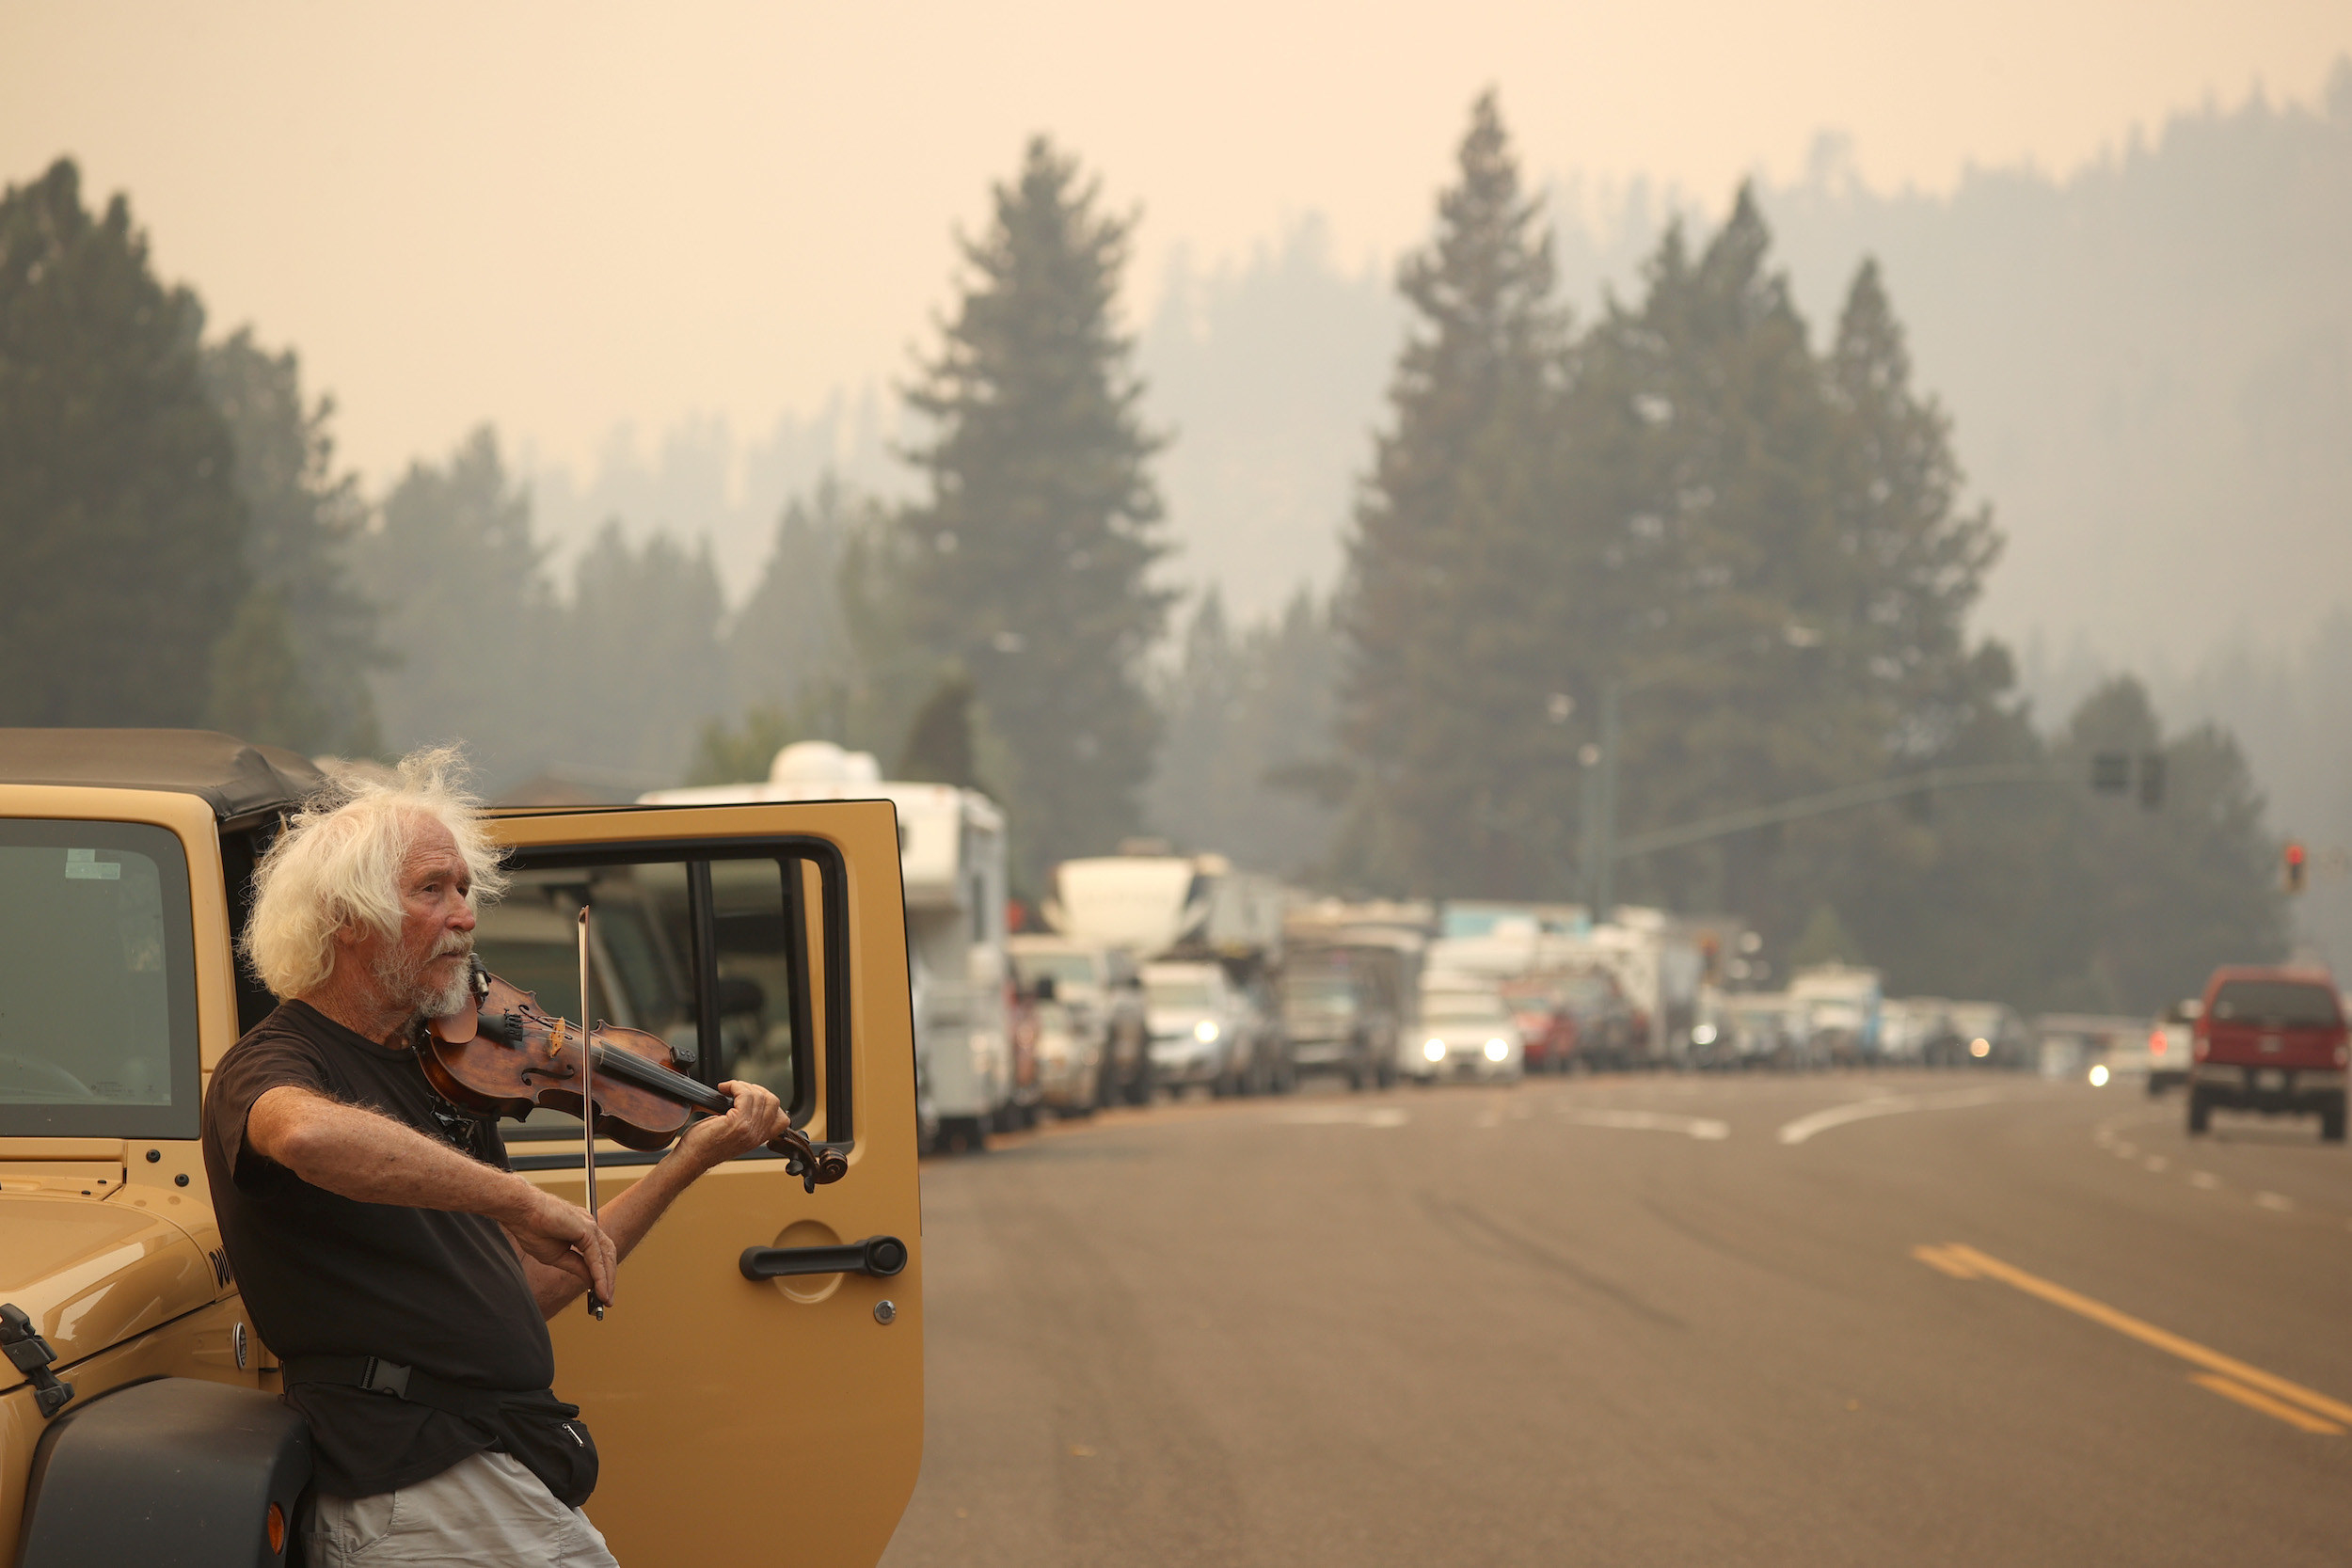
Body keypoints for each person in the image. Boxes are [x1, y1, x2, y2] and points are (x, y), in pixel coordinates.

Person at [200, 747, 787, 1567]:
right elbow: (306, 1135)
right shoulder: (270, 1066)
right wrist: (518, 1200)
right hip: (415, 1473)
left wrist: (688, 1157)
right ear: (348, 917)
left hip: (481, 1464)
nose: (466, 916)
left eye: (465, 891)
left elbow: (531, 1283)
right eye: (431, 890)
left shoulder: (439, 1069)